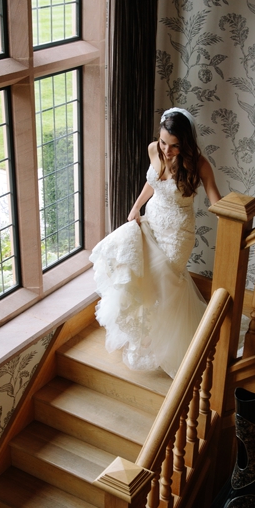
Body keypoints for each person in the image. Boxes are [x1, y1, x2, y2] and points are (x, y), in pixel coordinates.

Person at [89, 107, 222, 378]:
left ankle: (175, 344)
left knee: (166, 285)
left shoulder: (198, 164)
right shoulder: (154, 150)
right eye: (163, 142)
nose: (166, 150)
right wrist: (136, 207)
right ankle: (148, 336)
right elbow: (152, 183)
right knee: (140, 273)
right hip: (152, 221)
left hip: (177, 235)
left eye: (174, 146)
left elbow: (215, 199)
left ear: (185, 144)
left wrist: (235, 218)